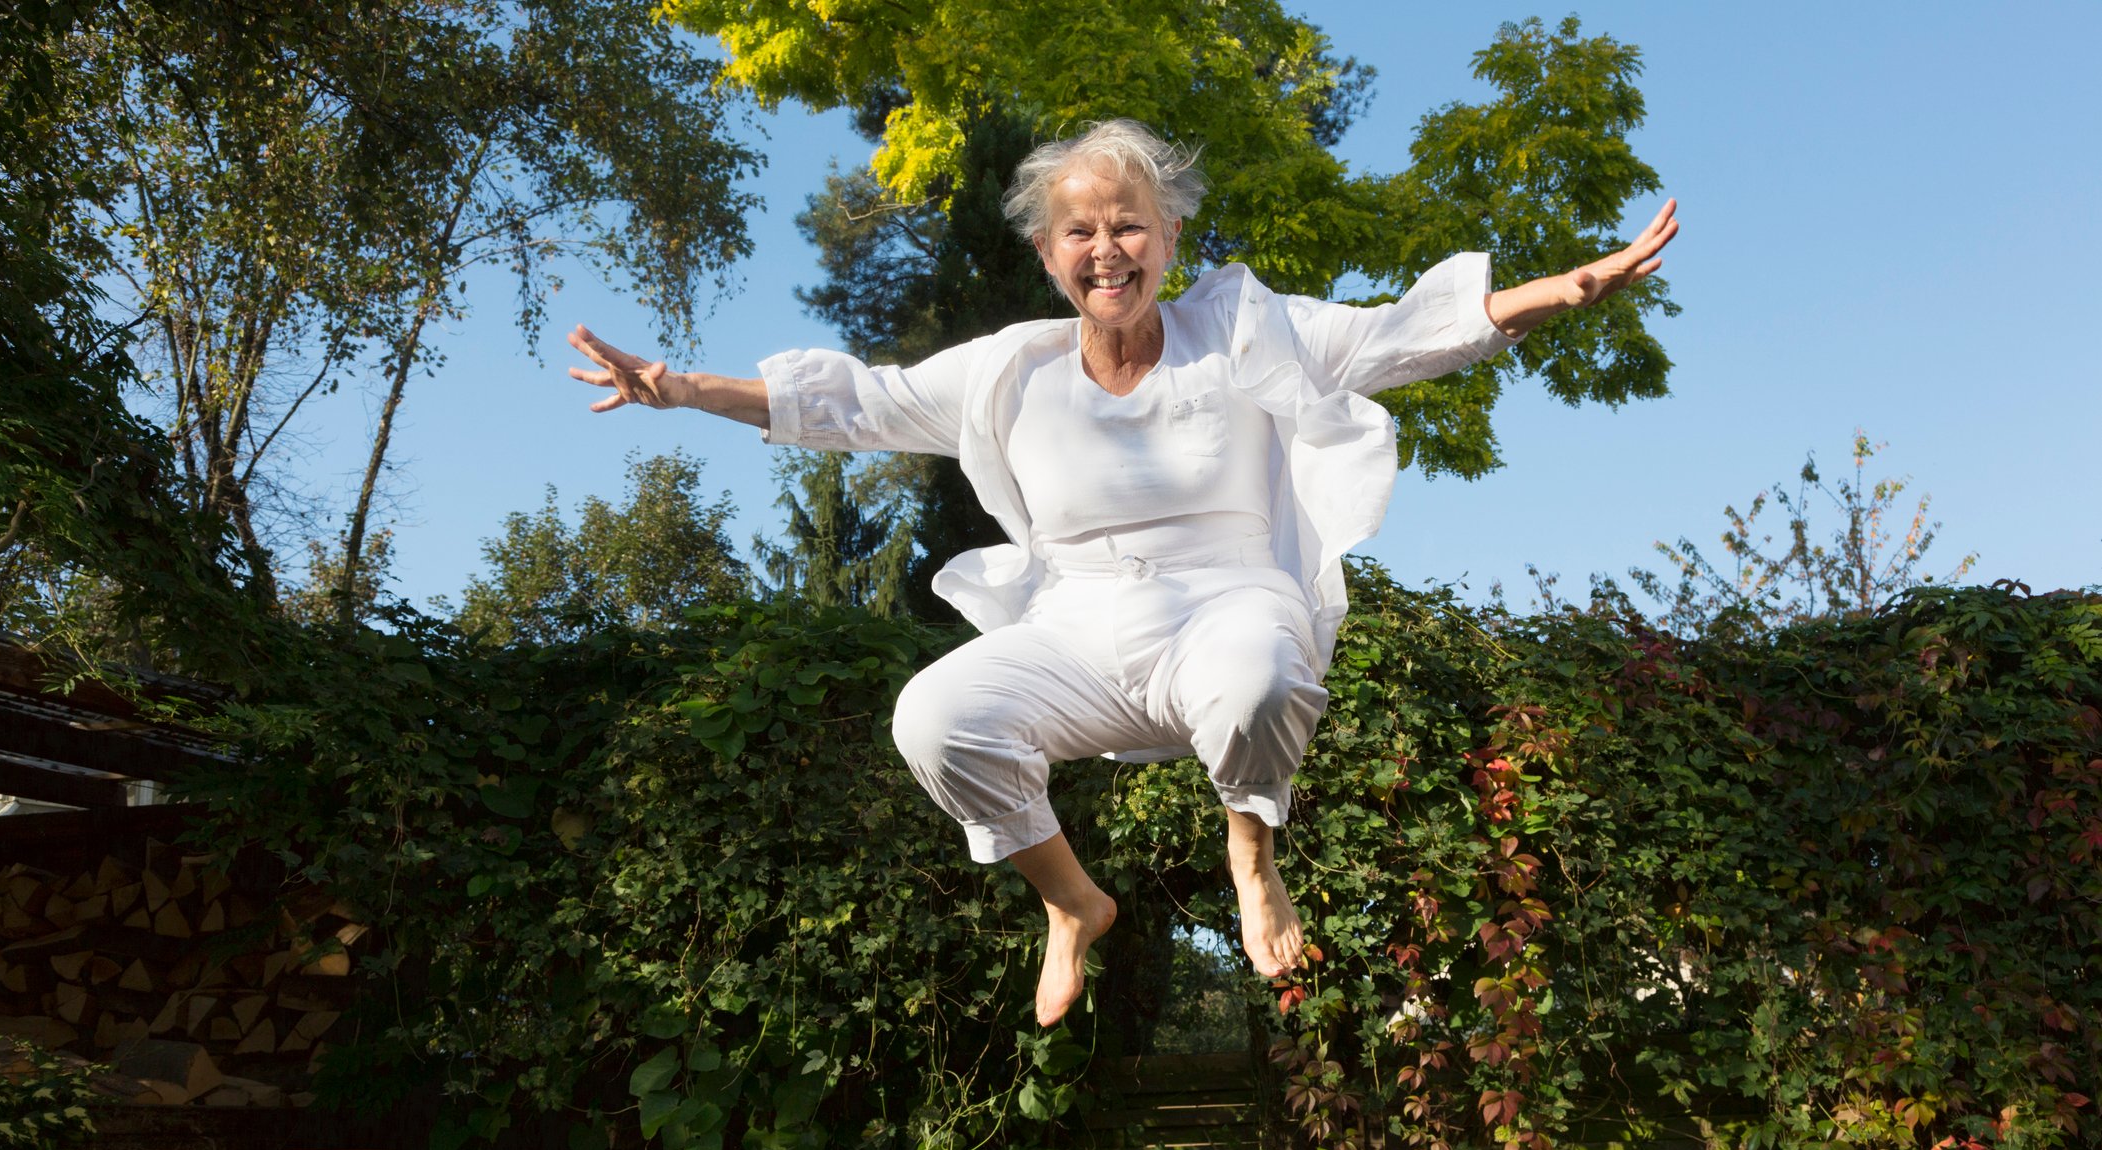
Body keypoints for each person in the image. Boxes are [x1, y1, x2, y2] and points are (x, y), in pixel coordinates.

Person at [568, 119, 1677, 1027]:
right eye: (1082, 232)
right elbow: (856, 402)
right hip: (1080, 631)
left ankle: (1252, 854)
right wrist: (681, 386)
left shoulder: (1243, 328)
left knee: (1259, 679)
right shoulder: (1011, 371)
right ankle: (1071, 904)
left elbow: (1404, 335)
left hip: (1228, 603)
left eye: (1130, 225)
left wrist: (1561, 289)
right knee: (934, 716)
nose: (1108, 249)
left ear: (1170, 236)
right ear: (1052, 257)